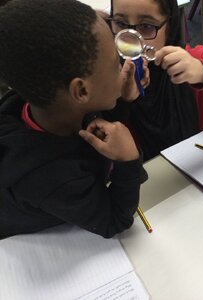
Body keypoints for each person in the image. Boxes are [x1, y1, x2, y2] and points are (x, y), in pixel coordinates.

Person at [0, 0, 148, 239]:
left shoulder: (49, 102)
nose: (122, 65)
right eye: (114, 63)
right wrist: (128, 161)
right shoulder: (51, 177)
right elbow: (114, 220)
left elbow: (97, 113)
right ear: (81, 91)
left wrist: (123, 99)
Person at [105, 0, 203, 161]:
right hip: (141, 176)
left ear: (170, 25)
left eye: (146, 26)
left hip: (196, 167)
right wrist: (123, 99)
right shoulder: (104, 73)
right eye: (120, 23)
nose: (131, 38)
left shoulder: (189, 64)